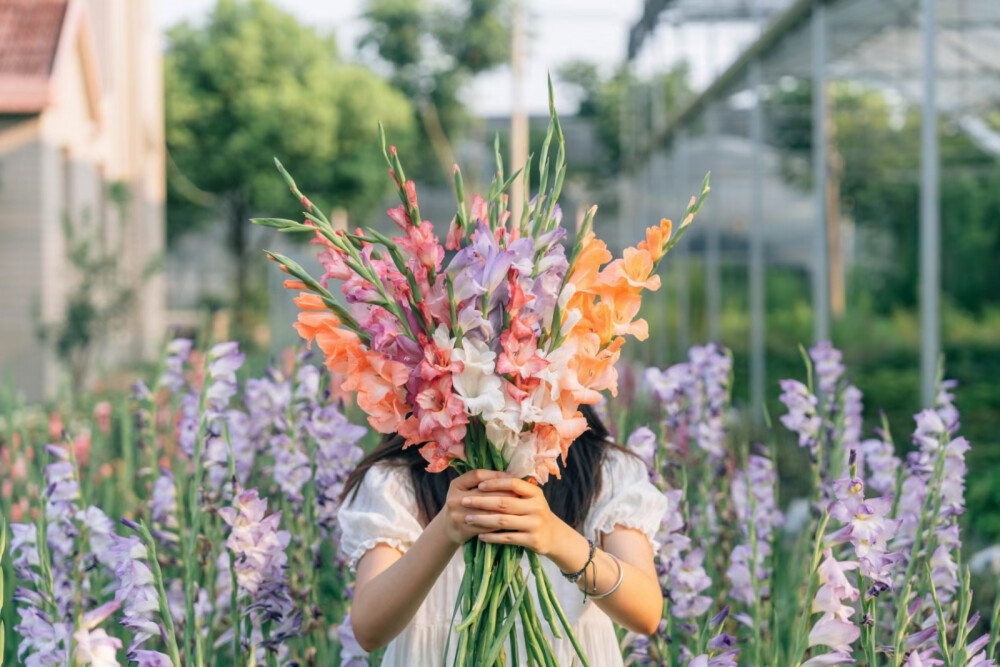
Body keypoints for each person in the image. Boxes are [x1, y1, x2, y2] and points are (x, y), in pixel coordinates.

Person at [337, 405, 668, 666]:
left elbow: (646, 612)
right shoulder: (398, 477)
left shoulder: (603, 469)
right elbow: (369, 629)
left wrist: (559, 540)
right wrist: (445, 530)